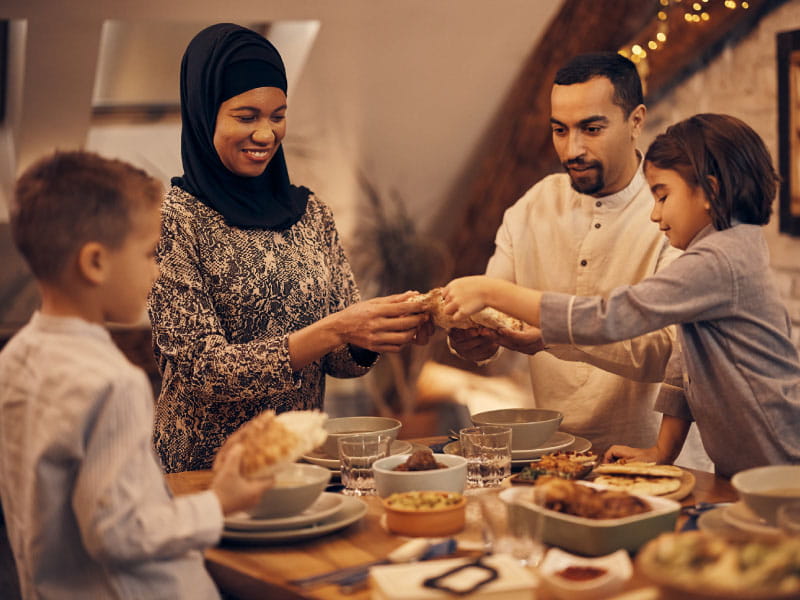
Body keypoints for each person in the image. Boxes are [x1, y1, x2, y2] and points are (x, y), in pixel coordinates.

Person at [442, 113, 800, 477]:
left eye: (662, 196)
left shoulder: (720, 259)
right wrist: (662, 451)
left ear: (710, 191)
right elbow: (682, 364)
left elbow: (613, 315)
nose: (655, 215)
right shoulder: (717, 253)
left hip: (781, 460)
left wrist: (492, 291)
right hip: (745, 468)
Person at [147, 23, 428, 473]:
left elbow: (340, 359)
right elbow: (205, 371)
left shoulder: (311, 213)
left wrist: (373, 333)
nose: (265, 134)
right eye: (246, 116)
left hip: (300, 466)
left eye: (277, 115)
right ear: (203, 113)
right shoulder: (172, 222)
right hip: (206, 476)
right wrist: (335, 329)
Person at [0, 150, 272, 599]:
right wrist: (220, 502)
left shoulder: (16, 359)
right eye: (150, 253)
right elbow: (120, 533)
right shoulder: (114, 383)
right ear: (95, 263)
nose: (159, 269)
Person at [448, 52, 679, 453]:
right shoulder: (532, 206)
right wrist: (475, 339)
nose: (572, 149)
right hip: (552, 452)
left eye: (591, 129)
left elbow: (669, 353)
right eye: (560, 130)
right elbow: (493, 307)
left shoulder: (671, 212)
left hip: (655, 458)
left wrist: (556, 335)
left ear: (636, 121)